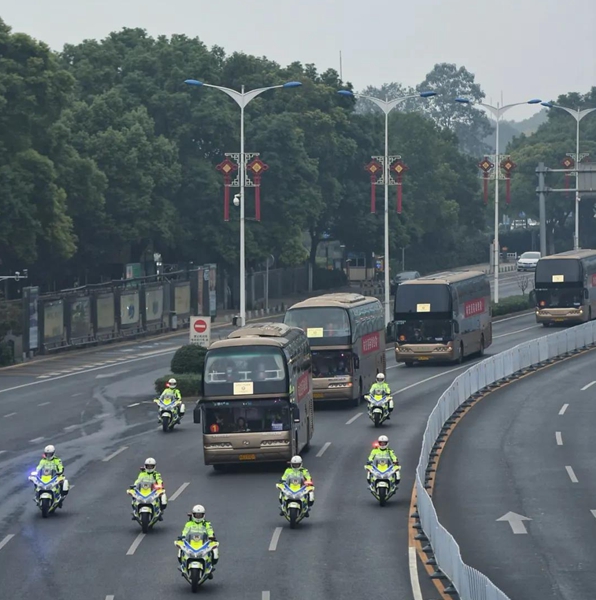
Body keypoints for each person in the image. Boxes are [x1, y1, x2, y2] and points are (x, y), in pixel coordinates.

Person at [178, 505, 219, 575]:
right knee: (181, 547)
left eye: (200, 515)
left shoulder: (207, 524)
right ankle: (183, 566)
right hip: (191, 542)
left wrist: (211, 536)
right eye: (196, 515)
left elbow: (210, 531)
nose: (198, 516)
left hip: (203, 542)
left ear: (203, 515)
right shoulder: (189, 523)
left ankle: (210, 566)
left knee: (214, 548)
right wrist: (183, 536)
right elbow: (185, 531)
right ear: (193, 514)